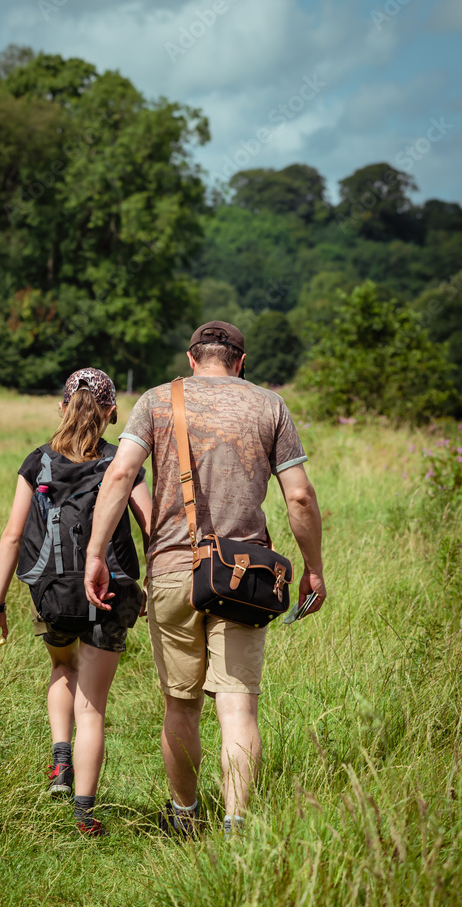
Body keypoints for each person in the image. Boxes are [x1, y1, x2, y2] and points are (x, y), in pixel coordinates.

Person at [84, 322, 326, 838]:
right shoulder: (270, 406)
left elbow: (121, 475)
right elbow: (300, 497)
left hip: (173, 571)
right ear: (240, 361)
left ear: (192, 360)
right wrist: (314, 569)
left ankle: (186, 817)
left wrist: (95, 552)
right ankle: (237, 826)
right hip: (244, 577)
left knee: (181, 703)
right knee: (238, 707)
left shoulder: (155, 401)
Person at [0, 368, 152, 837]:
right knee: (92, 707)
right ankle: (84, 816)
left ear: (62, 406)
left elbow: (13, 535)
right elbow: (153, 527)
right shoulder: (123, 461)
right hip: (111, 592)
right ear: (112, 412)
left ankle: (60, 763)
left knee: (62, 669)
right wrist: (161, 585)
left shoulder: (38, 462)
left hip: (51, 594)